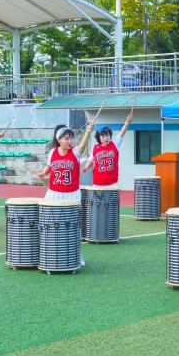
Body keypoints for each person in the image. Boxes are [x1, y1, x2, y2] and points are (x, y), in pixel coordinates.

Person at [37, 123, 94, 267]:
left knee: (74, 227)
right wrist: (44, 173)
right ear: (59, 140)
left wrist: (87, 132)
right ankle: (47, 253)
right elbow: (49, 166)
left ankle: (77, 256)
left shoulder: (75, 152)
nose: (70, 141)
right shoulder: (53, 152)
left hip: (72, 195)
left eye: (71, 138)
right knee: (48, 223)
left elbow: (82, 146)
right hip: (53, 193)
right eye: (67, 138)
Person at [82, 112, 133, 187]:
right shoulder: (95, 147)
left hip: (112, 183)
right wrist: (86, 167)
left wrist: (127, 122)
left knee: (112, 199)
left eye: (107, 135)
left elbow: (122, 133)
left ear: (110, 135)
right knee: (98, 199)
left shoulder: (115, 144)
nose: (106, 138)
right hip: (97, 182)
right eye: (103, 136)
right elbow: (90, 160)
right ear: (98, 138)